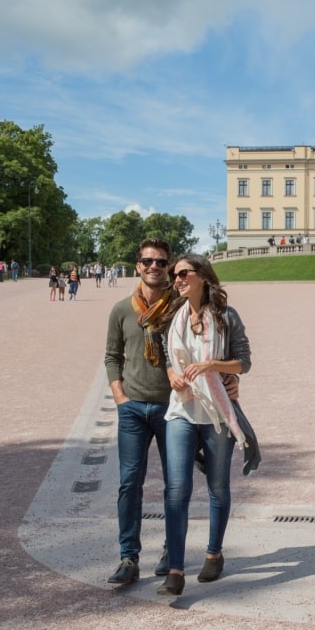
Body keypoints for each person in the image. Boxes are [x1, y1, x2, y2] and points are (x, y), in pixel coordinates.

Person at [158, 253, 252, 595]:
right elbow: (168, 355)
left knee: (218, 487)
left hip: (215, 413)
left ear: (202, 276)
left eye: (183, 273)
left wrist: (213, 365)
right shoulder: (174, 315)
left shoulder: (227, 317)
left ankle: (214, 553)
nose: (177, 279)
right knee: (177, 489)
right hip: (182, 411)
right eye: (174, 274)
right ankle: (176, 570)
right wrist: (171, 373)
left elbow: (244, 362)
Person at [104, 239, 178, 586]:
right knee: (129, 484)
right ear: (138, 266)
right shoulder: (122, 309)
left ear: (169, 267)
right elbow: (112, 356)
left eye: (160, 262)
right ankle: (128, 557)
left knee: (174, 486)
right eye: (148, 261)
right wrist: (119, 395)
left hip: (172, 408)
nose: (154, 266)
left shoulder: (179, 307)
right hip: (132, 407)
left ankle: (170, 551)